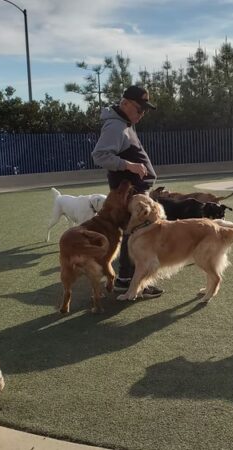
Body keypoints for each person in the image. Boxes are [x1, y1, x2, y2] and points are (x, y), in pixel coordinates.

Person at [91, 86, 163, 299]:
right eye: (140, 109)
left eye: (145, 110)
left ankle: (127, 280)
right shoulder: (115, 125)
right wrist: (129, 165)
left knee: (136, 234)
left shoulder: (123, 124)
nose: (142, 114)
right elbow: (100, 155)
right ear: (125, 104)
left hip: (135, 190)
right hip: (130, 192)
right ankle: (129, 281)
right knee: (138, 235)